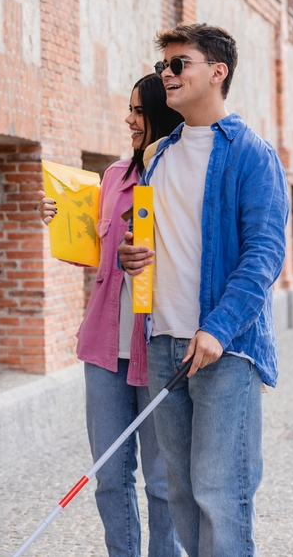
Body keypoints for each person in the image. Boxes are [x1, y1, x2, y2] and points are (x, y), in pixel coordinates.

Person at [118, 24, 289, 557]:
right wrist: (131, 257)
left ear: (218, 72)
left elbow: (263, 255)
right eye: (162, 67)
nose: (166, 75)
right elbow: (156, 241)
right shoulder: (158, 156)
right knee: (183, 496)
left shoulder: (251, 154)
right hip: (163, 341)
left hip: (222, 349)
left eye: (179, 64)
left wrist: (217, 328)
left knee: (222, 492)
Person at [37, 74, 183, 557]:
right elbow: (96, 255)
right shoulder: (115, 176)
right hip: (104, 349)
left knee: (163, 481)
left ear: (160, 113)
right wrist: (62, 220)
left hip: (158, 346)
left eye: (138, 111)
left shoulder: (180, 174)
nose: (129, 119)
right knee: (109, 475)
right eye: (129, 109)